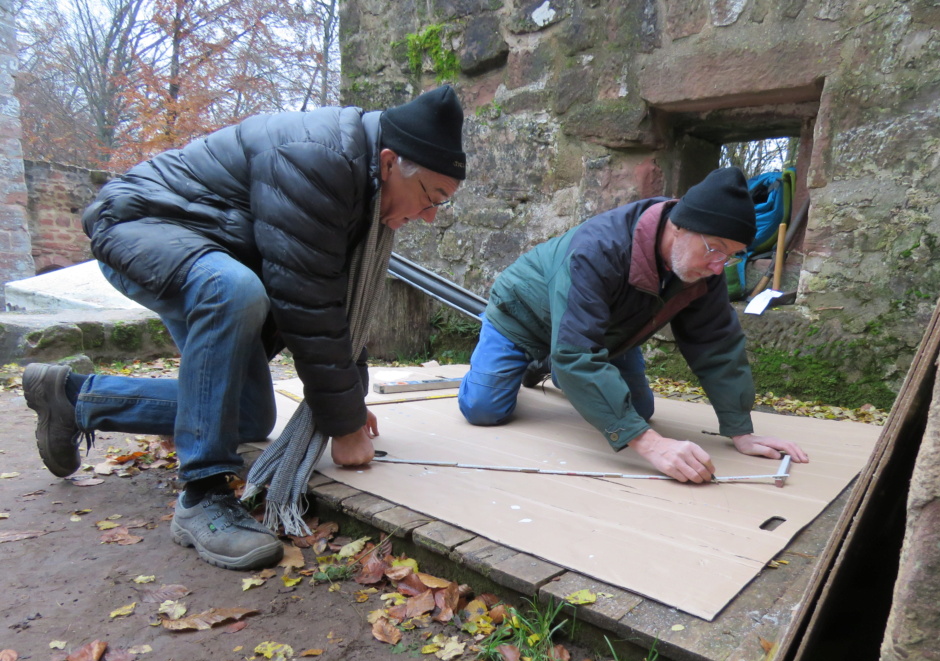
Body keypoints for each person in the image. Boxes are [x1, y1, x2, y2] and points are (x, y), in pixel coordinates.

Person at [23, 85, 467, 570]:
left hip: (208, 243)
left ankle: (75, 398)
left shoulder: (360, 180)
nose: (426, 216)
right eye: (432, 198)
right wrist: (342, 423)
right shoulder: (318, 157)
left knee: (250, 416)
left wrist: (350, 402)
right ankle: (202, 496)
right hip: (141, 222)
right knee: (233, 289)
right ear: (389, 162)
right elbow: (305, 298)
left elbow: (338, 299)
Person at [458, 166, 808, 483]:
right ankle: (544, 360)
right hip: (521, 316)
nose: (720, 267)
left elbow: (716, 343)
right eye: (715, 249)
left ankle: (554, 362)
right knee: (484, 410)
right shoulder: (597, 249)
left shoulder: (702, 268)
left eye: (731, 255)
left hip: (606, 332)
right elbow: (577, 352)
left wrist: (740, 429)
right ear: (679, 226)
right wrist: (652, 446)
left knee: (637, 413)